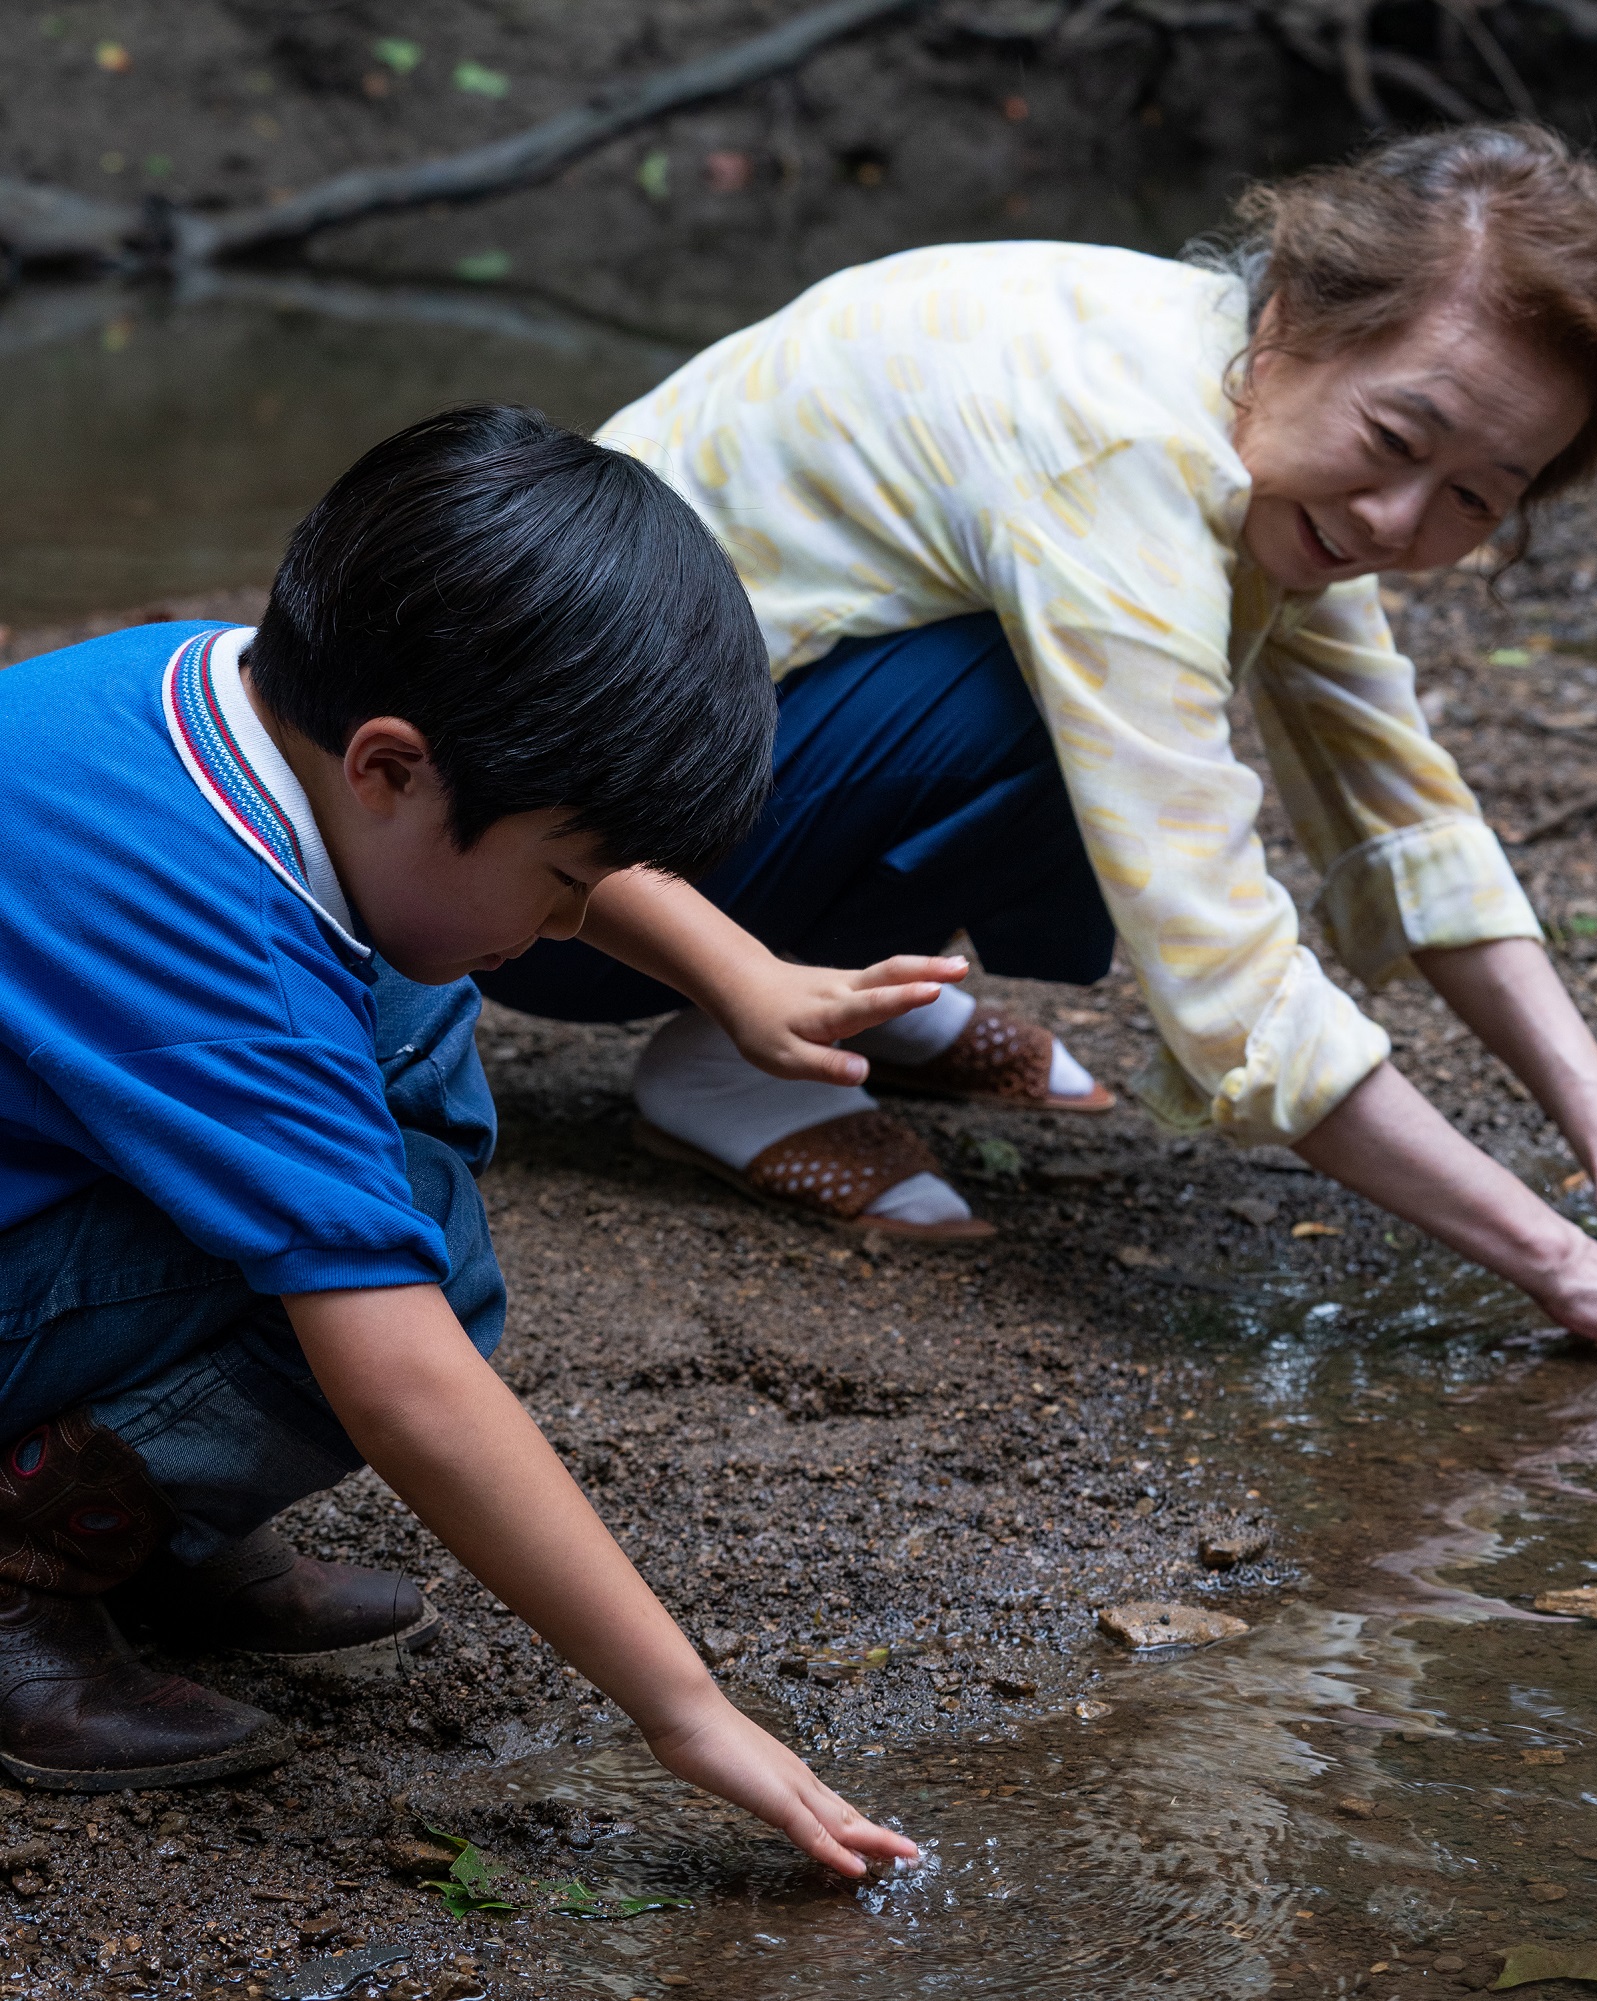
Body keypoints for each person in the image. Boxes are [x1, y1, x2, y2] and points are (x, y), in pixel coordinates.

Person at [479, 122, 1597, 1369]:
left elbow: (1398, 806)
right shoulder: (1129, 456)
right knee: (1054, 707)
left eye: (1473, 497)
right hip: (549, 887)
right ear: (1293, 314)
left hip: (683, 785)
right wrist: (1567, 1266)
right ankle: (736, 1055)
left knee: (1093, 676)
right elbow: (1219, 958)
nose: (1399, 521)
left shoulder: (1242, 403)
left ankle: (857, 978)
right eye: (1399, 437)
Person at [0, 403, 927, 1874]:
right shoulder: (218, 954)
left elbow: (526, 818)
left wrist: (740, 974)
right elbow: (409, 1386)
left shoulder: (225, 697)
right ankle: (31, 1554)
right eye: (561, 885)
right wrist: (686, 1711)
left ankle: (144, 1514)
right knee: (417, 1249)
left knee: (406, 1005)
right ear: (387, 768)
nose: (567, 922)